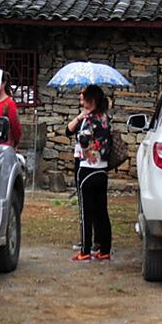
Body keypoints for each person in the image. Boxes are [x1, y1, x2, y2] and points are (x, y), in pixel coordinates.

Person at [67, 84, 112, 262]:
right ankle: (105, 249)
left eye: (83, 96)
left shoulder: (89, 120)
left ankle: (85, 251)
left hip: (87, 169)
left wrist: (85, 151)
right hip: (102, 169)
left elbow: (84, 138)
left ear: (91, 100)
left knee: (86, 212)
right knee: (102, 211)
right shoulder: (105, 118)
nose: (81, 99)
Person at [0, 72, 22, 148]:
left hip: (3, 146)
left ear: (3, 83)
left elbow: (15, 126)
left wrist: (15, 143)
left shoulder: (9, 104)